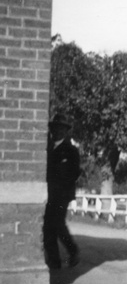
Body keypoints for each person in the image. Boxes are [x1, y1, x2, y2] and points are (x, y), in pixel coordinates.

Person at [43, 113, 81, 269]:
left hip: (62, 194)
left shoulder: (71, 150)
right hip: (49, 194)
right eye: (55, 128)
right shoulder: (47, 148)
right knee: (47, 227)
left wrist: (62, 187)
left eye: (61, 128)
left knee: (57, 224)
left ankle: (73, 251)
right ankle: (54, 262)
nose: (57, 131)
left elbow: (74, 173)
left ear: (66, 131)